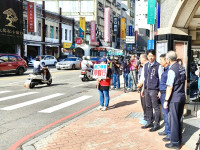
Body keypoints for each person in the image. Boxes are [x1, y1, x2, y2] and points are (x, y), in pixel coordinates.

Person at [163, 51, 186, 149]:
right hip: (182, 96)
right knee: (179, 119)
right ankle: (179, 139)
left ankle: (175, 142)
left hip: (174, 98)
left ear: (168, 59)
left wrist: (166, 100)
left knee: (174, 120)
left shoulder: (172, 70)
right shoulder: (181, 67)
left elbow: (169, 87)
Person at [141, 50, 163, 132]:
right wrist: (143, 89)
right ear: (147, 56)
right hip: (147, 88)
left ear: (154, 56)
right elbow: (144, 78)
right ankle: (149, 121)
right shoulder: (146, 65)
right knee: (148, 106)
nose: (150, 57)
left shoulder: (158, 66)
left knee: (156, 107)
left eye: (152, 56)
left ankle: (156, 124)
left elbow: (161, 79)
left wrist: (160, 90)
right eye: (149, 56)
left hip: (154, 89)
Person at [158, 54, 171, 141]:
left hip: (166, 94)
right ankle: (166, 130)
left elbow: (169, 85)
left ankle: (170, 133)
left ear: (166, 60)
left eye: (161, 60)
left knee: (167, 114)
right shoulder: (165, 70)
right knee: (164, 113)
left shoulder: (169, 71)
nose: (160, 62)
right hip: (162, 93)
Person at [137, 54, 148, 125]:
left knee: (145, 103)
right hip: (142, 86)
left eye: (140, 58)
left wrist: (140, 85)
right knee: (143, 102)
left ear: (144, 58)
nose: (139, 60)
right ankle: (145, 116)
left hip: (144, 87)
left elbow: (145, 78)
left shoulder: (146, 66)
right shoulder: (143, 66)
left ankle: (147, 118)